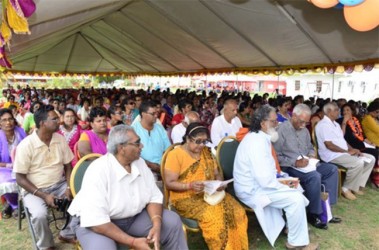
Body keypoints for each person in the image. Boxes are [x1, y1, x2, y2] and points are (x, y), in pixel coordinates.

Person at [68, 125, 188, 250]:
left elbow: (153, 197)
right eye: (137, 143)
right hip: (95, 224)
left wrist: (156, 225)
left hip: (132, 218)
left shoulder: (139, 162)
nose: (141, 146)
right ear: (121, 148)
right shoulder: (98, 170)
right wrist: (133, 242)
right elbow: (96, 221)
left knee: (172, 222)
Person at [234, 105, 318, 249]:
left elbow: (267, 171)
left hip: (262, 183)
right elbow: (263, 179)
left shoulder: (261, 137)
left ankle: (292, 228)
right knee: (295, 198)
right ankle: (296, 243)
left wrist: (284, 181)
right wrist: (283, 184)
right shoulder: (256, 142)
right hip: (252, 190)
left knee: (296, 185)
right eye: (274, 121)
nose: (277, 123)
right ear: (263, 123)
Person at [164, 122, 248, 249]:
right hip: (186, 198)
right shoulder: (175, 155)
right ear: (187, 139)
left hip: (210, 194)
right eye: (198, 141)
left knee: (238, 212)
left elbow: (217, 173)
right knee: (215, 219)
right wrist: (189, 186)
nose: (202, 145)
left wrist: (219, 183)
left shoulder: (206, 152)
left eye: (204, 141)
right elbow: (169, 183)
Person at [14, 105, 76, 249]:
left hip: (59, 184)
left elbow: (68, 166)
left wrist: (68, 186)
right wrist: (43, 195)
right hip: (34, 189)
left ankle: (67, 233)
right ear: (42, 123)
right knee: (39, 215)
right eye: (54, 118)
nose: (59, 121)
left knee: (81, 201)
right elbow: (20, 178)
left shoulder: (59, 139)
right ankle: (46, 245)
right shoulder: (26, 145)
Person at [273, 104, 340, 229]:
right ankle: (313, 214)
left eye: (306, 123)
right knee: (314, 176)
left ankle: (326, 210)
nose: (304, 125)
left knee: (332, 169)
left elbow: (310, 147)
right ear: (293, 116)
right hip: (289, 167)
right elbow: (276, 156)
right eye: (301, 122)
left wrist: (310, 155)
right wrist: (295, 162)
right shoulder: (281, 130)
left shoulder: (304, 130)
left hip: (307, 164)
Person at [315, 102, 375, 200]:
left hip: (342, 152)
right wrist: (346, 152)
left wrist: (352, 149)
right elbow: (329, 145)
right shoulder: (323, 125)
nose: (339, 112)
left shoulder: (335, 124)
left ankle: (356, 185)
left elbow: (342, 141)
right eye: (337, 110)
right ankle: (346, 188)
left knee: (370, 158)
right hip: (332, 155)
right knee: (358, 162)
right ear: (330, 112)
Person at [132, 101, 171, 178]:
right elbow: (132, 154)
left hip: (162, 168)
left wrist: (162, 165)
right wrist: (150, 165)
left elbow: (168, 150)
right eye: (153, 114)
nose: (156, 116)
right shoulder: (133, 129)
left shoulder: (159, 128)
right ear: (143, 114)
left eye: (157, 113)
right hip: (141, 169)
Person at [0, 109, 27, 218]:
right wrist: (8, 165)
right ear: (0, 123)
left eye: (10, 119)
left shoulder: (20, 132)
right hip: (4, 167)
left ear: (14, 120)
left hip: (23, 164)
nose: (8, 122)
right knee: (5, 183)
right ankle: (15, 205)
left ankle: (20, 203)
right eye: (4, 120)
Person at [361, 101, 379, 187]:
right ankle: (375, 179)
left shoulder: (374, 119)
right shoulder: (368, 118)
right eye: (377, 112)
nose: (378, 114)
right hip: (373, 143)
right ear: (372, 110)